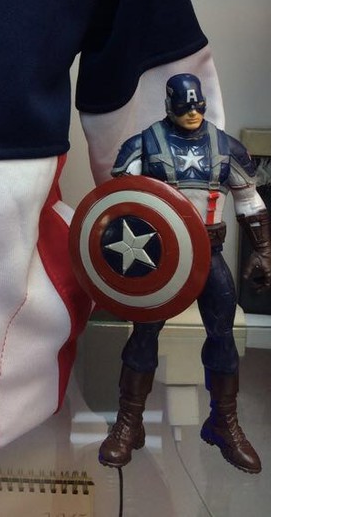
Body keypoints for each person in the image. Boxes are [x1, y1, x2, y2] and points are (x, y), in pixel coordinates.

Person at [98, 73, 270, 473]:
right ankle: (129, 423)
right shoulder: (144, 145)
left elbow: (249, 201)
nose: (192, 113)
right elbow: (119, 204)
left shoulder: (224, 147)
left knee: (223, 337)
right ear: (169, 104)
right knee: (144, 335)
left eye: (197, 105)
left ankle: (223, 423)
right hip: (160, 260)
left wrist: (263, 250)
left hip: (209, 254)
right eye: (184, 106)